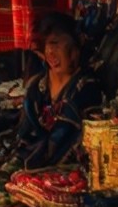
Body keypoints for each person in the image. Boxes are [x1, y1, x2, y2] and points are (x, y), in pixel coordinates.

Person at [17, 12, 102, 168]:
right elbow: (24, 137)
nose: (50, 52)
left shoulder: (87, 88)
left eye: (55, 43)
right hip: (34, 174)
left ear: (75, 46)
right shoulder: (36, 88)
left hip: (75, 175)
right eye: (46, 46)